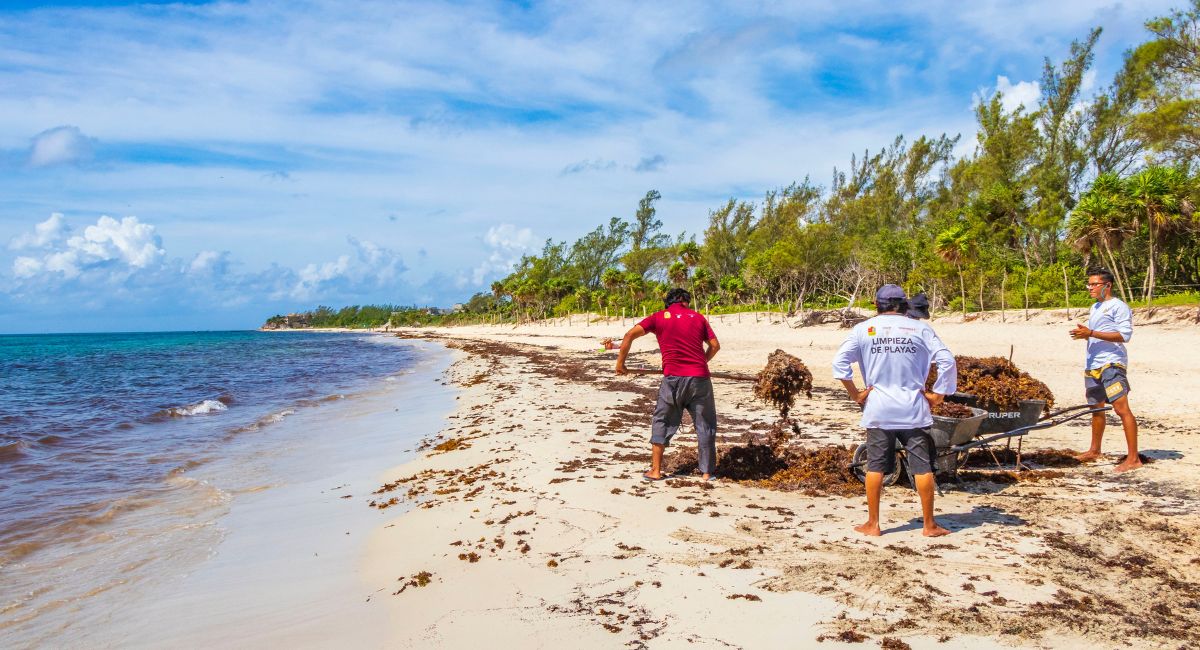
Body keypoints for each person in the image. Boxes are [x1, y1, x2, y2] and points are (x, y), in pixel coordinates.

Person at [832, 284, 957, 537]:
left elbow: (839, 363)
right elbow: (947, 360)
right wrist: (938, 395)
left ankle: (873, 524)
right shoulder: (920, 328)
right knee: (922, 467)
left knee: (876, 467)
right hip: (913, 408)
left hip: (879, 408)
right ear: (903, 304)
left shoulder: (863, 330)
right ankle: (929, 525)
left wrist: (855, 394)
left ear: (876, 305)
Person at [615, 288, 720, 481]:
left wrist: (620, 364)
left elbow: (629, 335)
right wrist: (701, 363)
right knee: (705, 424)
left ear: (668, 302)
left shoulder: (658, 317)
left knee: (662, 421)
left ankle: (655, 471)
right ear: (686, 301)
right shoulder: (698, 318)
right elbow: (714, 346)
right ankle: (707, 472)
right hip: (700, 380)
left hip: (672, 379)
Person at [1069, 268, 1140, 472]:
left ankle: (1133, 459)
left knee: (1121, 408)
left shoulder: (1118, 307)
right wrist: (1086, 335)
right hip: (1093, 365)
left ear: (1107, 286)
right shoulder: (1095, 307)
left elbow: (1124, 336)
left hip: (1112, 363)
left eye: (1094, 284)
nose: (1090, 288)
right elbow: (1097, 333)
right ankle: (1094, 450)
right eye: (1089, 284)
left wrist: (1091, 332)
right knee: (1096, 409)